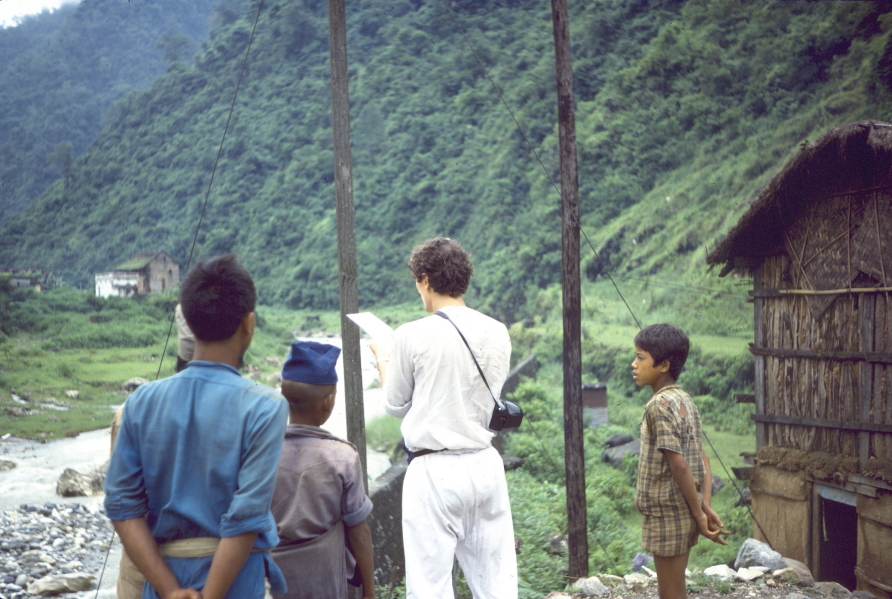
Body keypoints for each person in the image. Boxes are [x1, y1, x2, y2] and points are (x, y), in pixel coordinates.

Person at [104, 254, 289, 599]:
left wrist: (170, 590)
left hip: (163, 579)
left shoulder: (140, 402)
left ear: (187, 318)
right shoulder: (265, 406)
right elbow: (246, 517)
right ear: (249, 323)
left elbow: (121, 505)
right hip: (233, 581)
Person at [371, 237, 517, 599]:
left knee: (430, 586)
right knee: (496, 583)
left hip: (433, 470)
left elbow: (395, 404)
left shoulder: (410, 334)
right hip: (485, 464)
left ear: (424, 279)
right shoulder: (498, 331)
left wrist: (383, 359)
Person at [270, 340, 375, 599]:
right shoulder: (342, 457)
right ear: (328, 402)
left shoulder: (260, 452)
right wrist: (369, 592)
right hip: (324, 582)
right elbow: (359, 532)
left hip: (271, 581)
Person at [632, 323, 729, 599]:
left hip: (667, 513)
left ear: (663, 365)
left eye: (640, 358)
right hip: (683, 509)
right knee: (675, 589)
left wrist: (700, 513)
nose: (634, 364)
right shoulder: (684, 400)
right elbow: (702, 455)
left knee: (671, 593)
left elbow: (680, 464)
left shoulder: (657, 406)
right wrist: (703, 502)